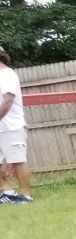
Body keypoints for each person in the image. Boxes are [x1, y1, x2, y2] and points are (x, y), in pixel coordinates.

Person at [0, 46, 31, 204]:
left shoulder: (7, 75)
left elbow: (8, 100)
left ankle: (25, 195)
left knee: (17, 159)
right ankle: (7, 192)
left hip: (11, 126)